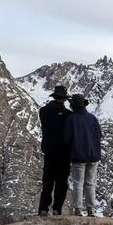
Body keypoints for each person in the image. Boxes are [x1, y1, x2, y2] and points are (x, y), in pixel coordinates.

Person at [64, 94, 102, 217]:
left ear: (73, 105)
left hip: (79, 156)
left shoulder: (71, 119)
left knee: (78, 183)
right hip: (94, 155)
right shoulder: (93, 118)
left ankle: (78, 210)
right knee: (90, 183)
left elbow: (66, 139)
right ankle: (91, 209)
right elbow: (99, 135)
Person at [38, 85, 72, 216]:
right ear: (64, 99)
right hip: (64, 153)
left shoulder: (43, 111)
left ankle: (43, 209)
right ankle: (57, 208)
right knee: (61, 182)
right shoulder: (68, 115)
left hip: (49, 151)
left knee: (47, 181)